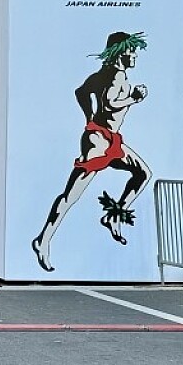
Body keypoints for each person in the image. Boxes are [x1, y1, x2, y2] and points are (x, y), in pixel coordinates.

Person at [32, 31, 151, 272]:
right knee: (71, 195)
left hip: (109, 139)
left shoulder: (102, 75)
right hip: (98, 142)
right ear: (120, 53)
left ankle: (114, 216)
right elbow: (109, 103)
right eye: (131, 51)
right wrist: (134, 98)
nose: (135, 56)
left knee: (142, 173)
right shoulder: (117, 75)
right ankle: (43, 240)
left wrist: (89, 117)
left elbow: (81, 92)